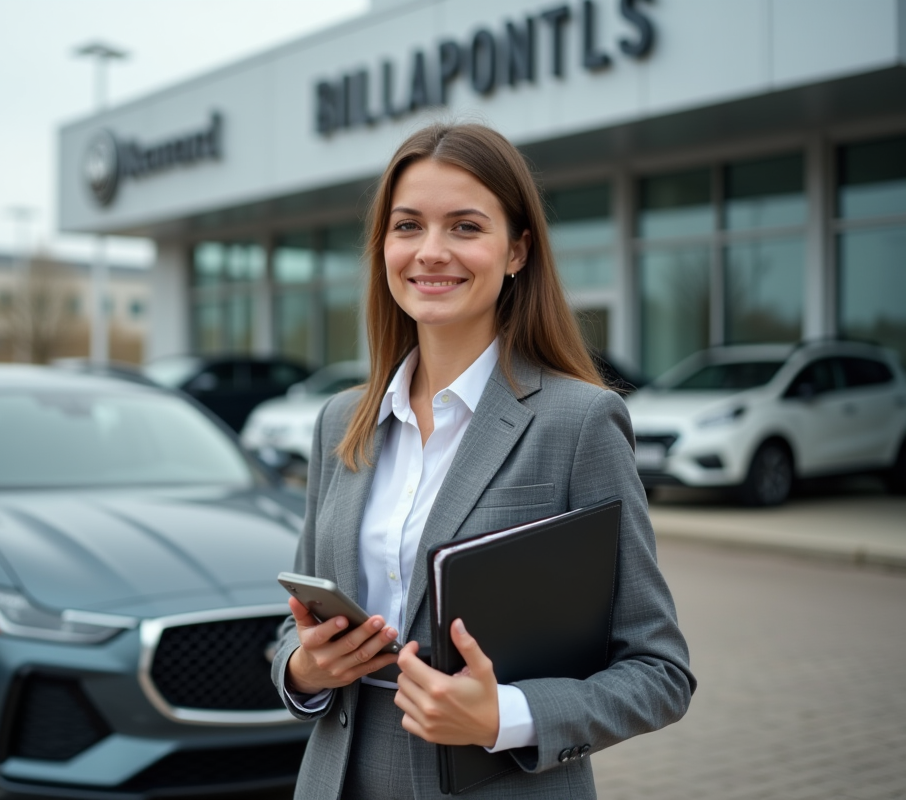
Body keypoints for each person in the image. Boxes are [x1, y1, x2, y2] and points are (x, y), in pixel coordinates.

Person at [270, 123, 695, 799]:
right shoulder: (338, 423)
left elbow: (658, 671)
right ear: (383, 246)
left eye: (465, 227)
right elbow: (291, 626)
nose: (431, 252)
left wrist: (508, 717)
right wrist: (302, 670)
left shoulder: (577, 423)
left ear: (517, 250)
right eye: (407, 226)